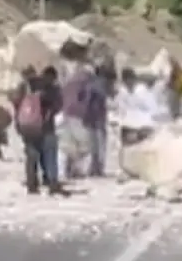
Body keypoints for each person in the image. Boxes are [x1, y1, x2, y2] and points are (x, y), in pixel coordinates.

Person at [16, 66, 69, 196]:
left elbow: (16, 103)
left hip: (27, 127)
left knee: (31, 156)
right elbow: (57, 106)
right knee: (50, 154)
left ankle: (32, 184)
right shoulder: (52, 89)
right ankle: (52, 183)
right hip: (45, 127)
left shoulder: (27, 87)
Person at [82, 61, 112, 176]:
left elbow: (86, 100)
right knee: (100, 144)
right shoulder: (101, 84)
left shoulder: (90, 84)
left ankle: (94, 167)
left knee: (93, 144)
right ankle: (99, 168)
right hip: (99, 117)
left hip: (91, 116)